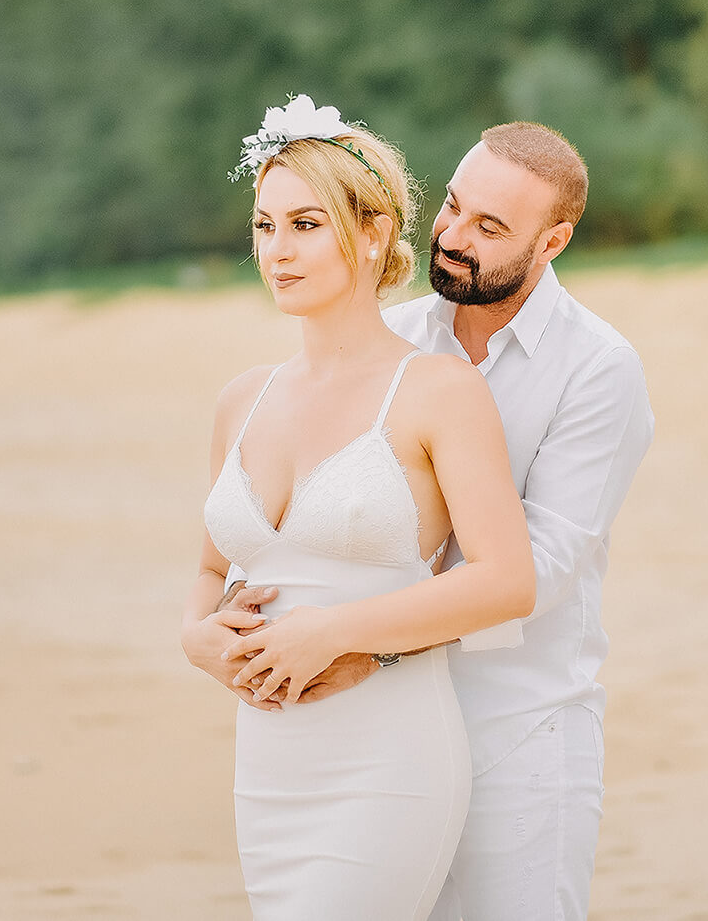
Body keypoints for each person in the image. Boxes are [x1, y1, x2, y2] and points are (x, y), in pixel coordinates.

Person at [214, 120, 655, 921]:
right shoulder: (399, 342)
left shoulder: (598, 370)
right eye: (452, 207)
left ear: (553, 241)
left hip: (520, 725)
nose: (451, 236)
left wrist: (360, 641)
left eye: (490, 228)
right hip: (368, 719)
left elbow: (542, 568)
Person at [181, 97, 536, 920]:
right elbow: (209, 568)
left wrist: (331, 632)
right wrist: (195, 636)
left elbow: (506, 582)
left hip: (387, 755)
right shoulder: (241, 400)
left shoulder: (439, 392)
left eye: (305, 224)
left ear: (372, 232)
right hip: (269, 764)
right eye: (265, 226)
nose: (277, 251)